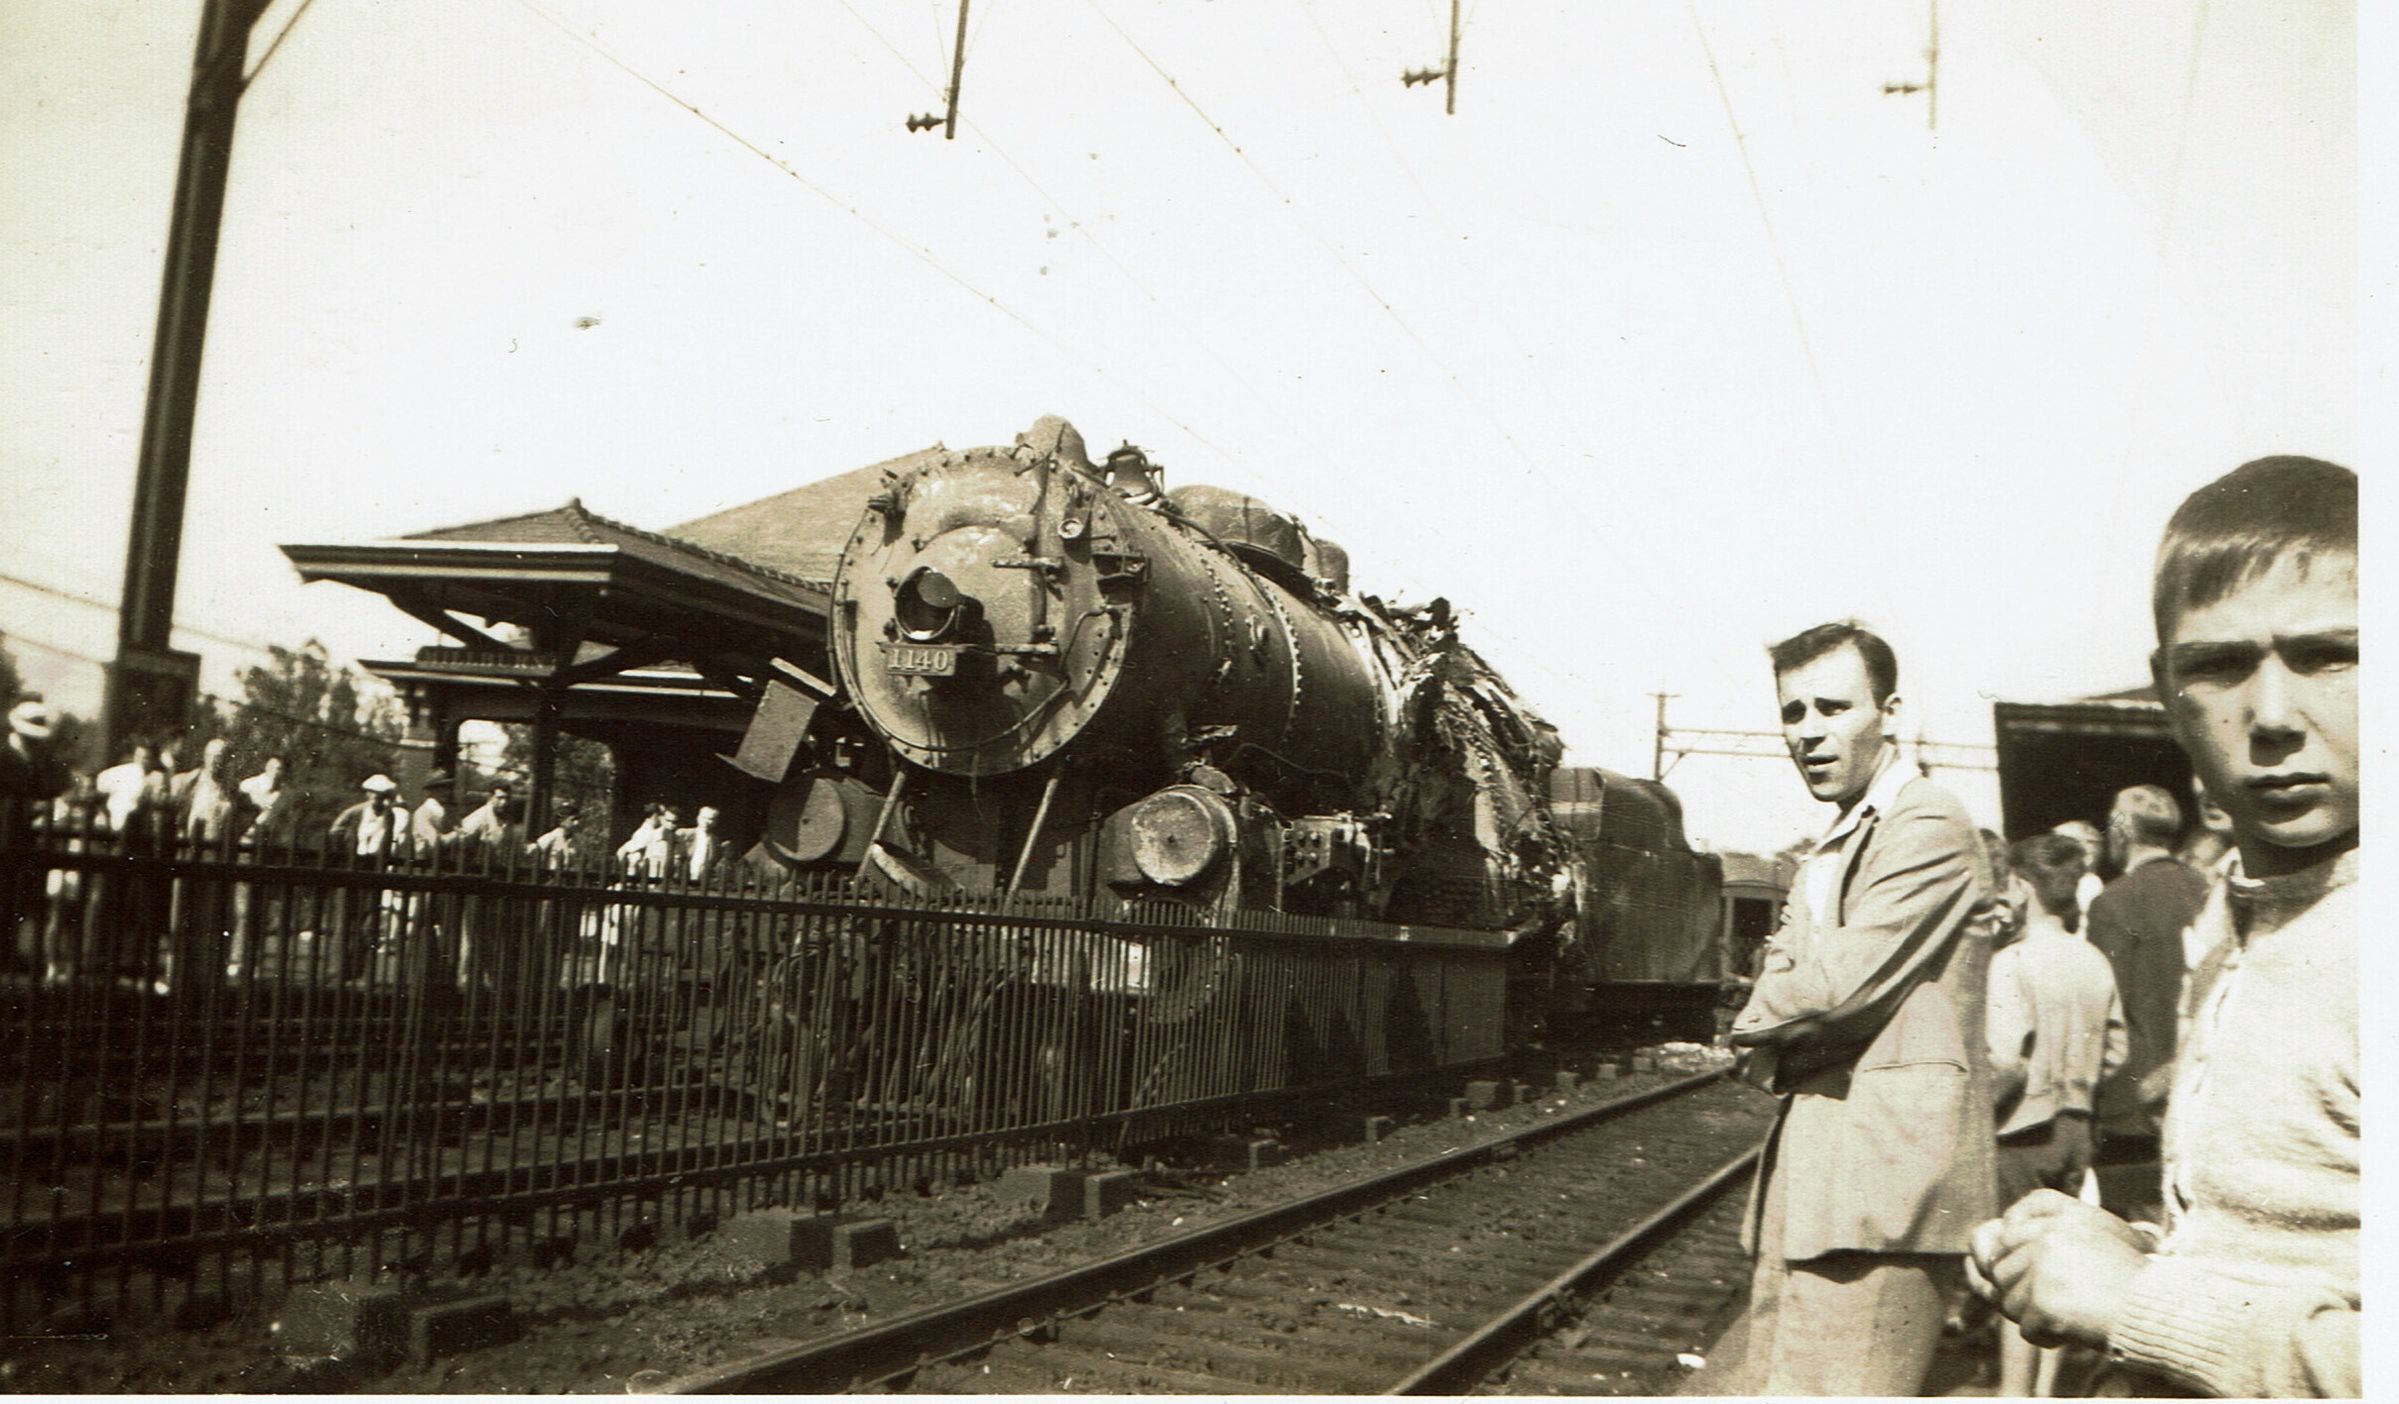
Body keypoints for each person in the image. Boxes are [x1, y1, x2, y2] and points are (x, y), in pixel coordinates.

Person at [1969, 455, 2357, 1396]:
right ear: (2165, 693)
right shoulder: (2235, 925)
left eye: (2329, 654)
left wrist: (2138, 1300)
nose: (2271, 715)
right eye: (2218, 665)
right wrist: (2121, 1251)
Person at [1710, 621, 1996, 1396]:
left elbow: (1834, 986)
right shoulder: (1836, 843)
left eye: (1832, 708)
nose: (1807, 732)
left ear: (1890, 713)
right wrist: (1784, 1000)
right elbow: (1786, 973)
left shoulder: (1927, 822)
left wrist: (1760, 1020)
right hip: (1820, 1177)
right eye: (1791, 712)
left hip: (1886, 1190)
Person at [1985, 832, 2129, 1396]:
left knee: (2017, 1269)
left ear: (2023, 887)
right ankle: (2046, 1391)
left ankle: (2014, 1393)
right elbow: (2117, 1050)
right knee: (2060, 1263)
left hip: (2022, 1129)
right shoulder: (2093, 960)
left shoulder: (2011, 963)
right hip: (2077, 1126)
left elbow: (2006, 1061)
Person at [2084, 782, 2209, 1201]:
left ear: (2121, 830)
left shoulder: (2115, 902)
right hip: (2202, 1088)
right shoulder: (2208, 889)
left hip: (2134, 1106)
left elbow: (2106, 1007)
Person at [2049, 818, 2107, 913]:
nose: (2054, 851)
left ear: (2088, 856)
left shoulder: (2089, 886)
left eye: (2064, 845)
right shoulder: (2064, 885)